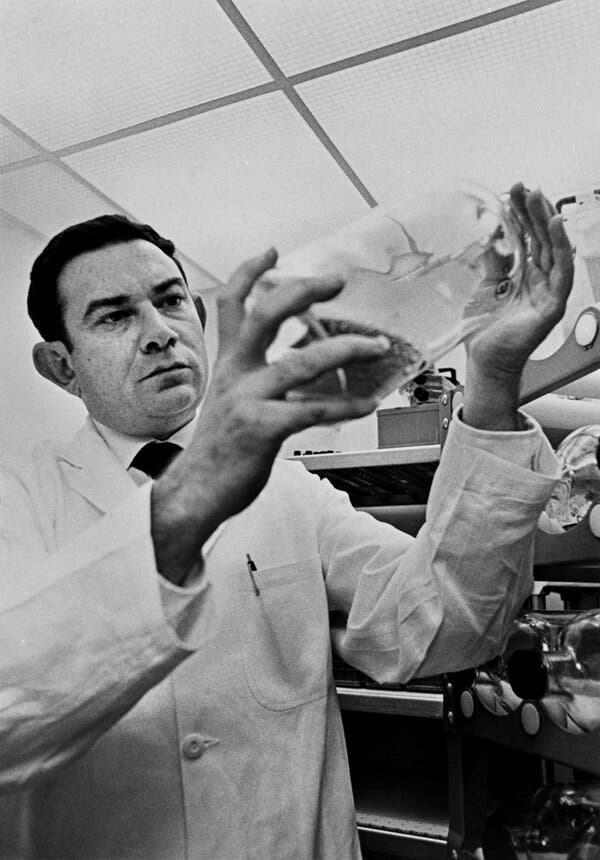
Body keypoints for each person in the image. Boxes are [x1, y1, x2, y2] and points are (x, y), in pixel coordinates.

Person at [0, 185, 572, 858]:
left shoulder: (290, 490)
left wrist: (494, 377)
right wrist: (197, 491)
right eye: (114, 317)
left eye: (170, 299)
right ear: (61, 366)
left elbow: (447, 623)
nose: (159, 332)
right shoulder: (19, 501)